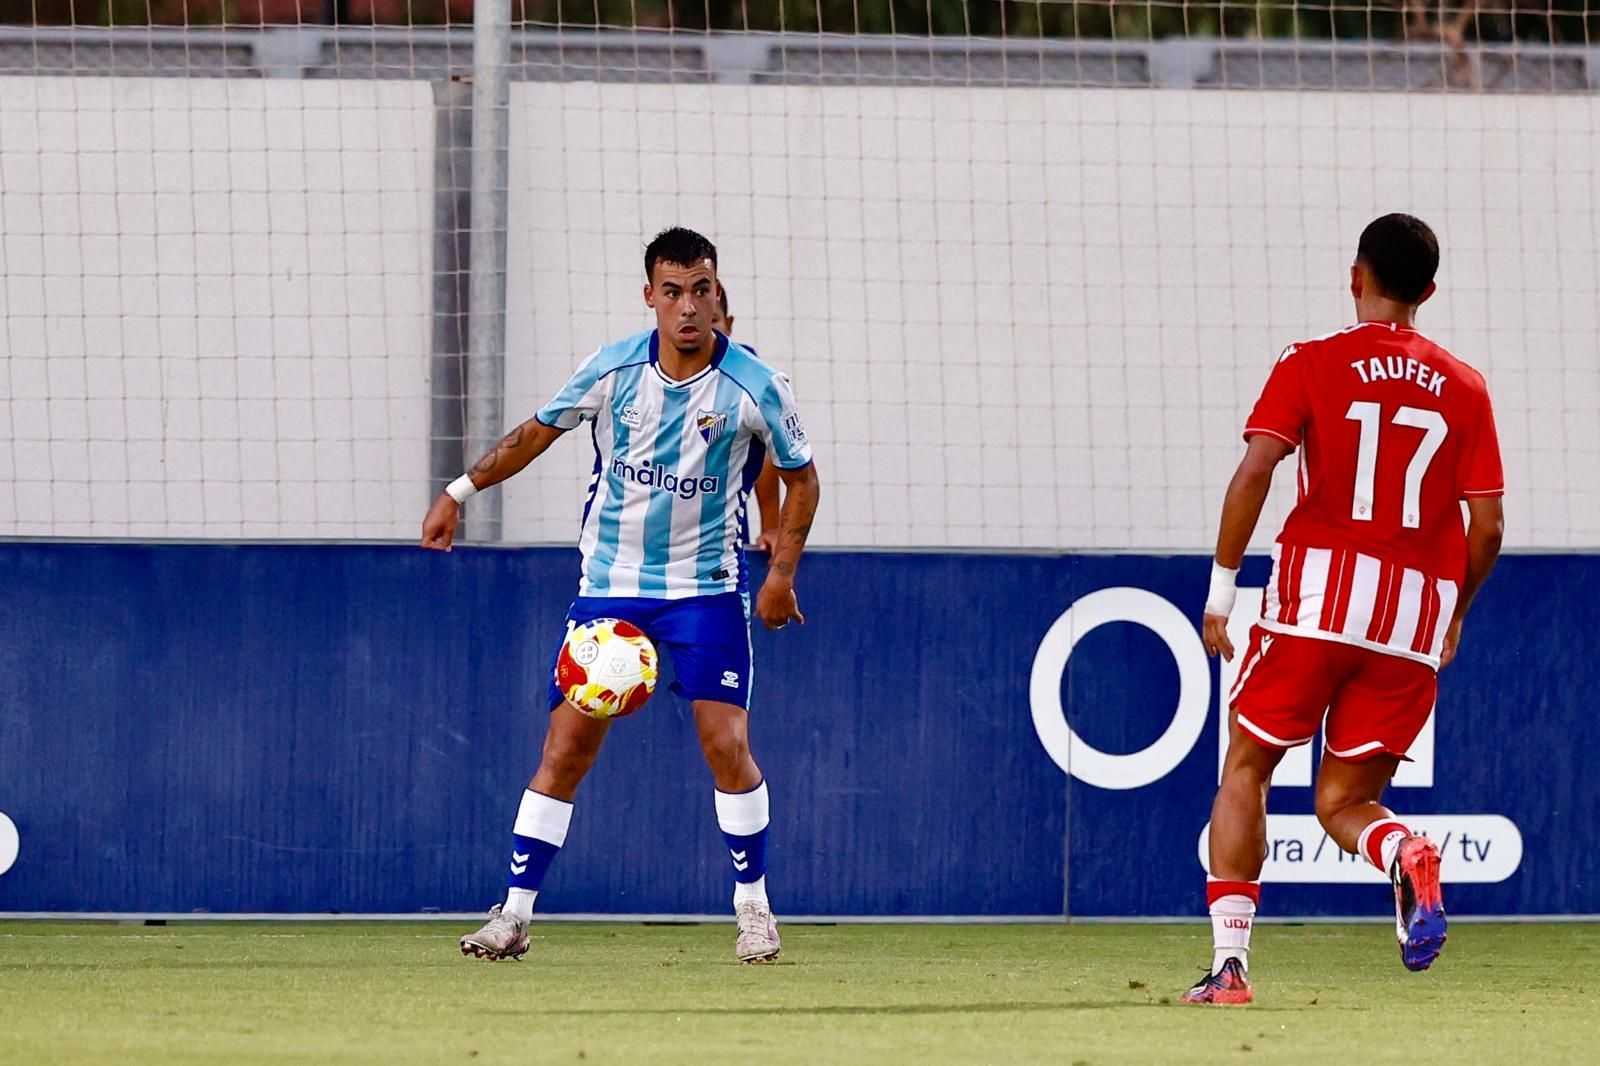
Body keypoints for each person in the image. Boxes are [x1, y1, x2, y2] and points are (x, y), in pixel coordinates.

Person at [421, 227, 822, 964]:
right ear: (651, 299)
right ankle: (512, 915)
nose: (688, 307)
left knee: (726, 744)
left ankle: (755, 907)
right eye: (672, 292)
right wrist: (459, 490)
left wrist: (781, 574)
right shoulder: (611, 371)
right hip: (610, 589)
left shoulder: (758, 386)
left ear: (716, 295)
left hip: (706, 590)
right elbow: (536, 433)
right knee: (566, 747)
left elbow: (802, 478)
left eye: (701, 290)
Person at [1184, 214, 1504, 1004]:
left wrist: (1222, 590)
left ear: (1355, 274)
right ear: (1428, 292)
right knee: (1346, 802)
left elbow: (1256, 470)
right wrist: (1453, 610)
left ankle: (1230, 970)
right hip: (1412, 619)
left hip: (1315, 601)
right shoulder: (1466, 387)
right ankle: (1401, 852)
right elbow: (1488, 524)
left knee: (1248, 769)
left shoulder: (1312, 361)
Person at [706, 283, 782, 553]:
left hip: (726, 543)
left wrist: (772, 527)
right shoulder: (648, 373)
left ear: (728, 324)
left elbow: (765, 450)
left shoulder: (746, 373)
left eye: (712, 319)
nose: (705, 329)